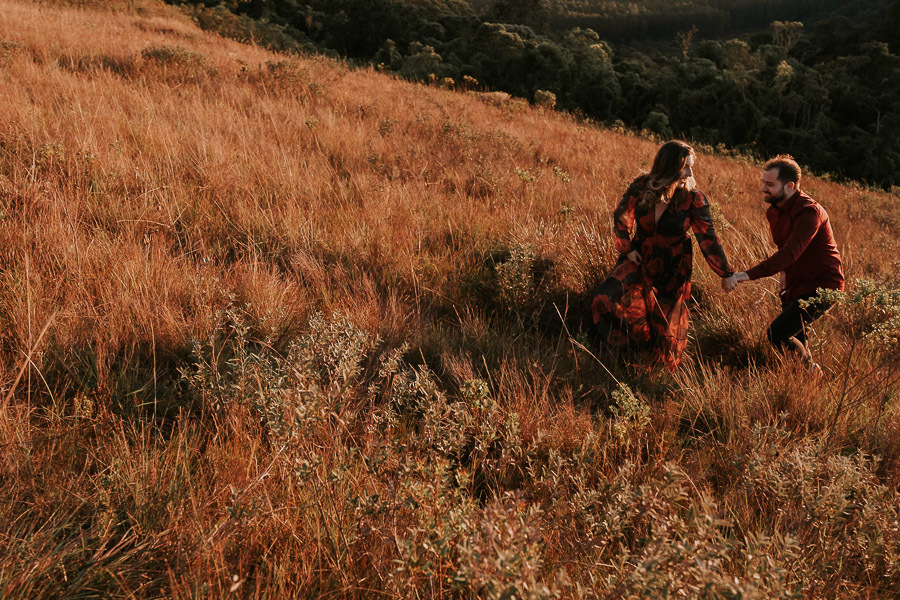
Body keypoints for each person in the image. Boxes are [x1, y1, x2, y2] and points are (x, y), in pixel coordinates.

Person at [591, 140, 734, 369]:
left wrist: (725, 273)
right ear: (668, 167)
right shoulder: (641, 186)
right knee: (604, 298)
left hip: (673, 265)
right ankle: (627, 351)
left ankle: (651, 369)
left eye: (691, 166)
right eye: (685, 167)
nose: (690, 172)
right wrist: (627, 249)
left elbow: (708, 238)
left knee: (664, 322)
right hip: (639, 256)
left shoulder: (693, 198)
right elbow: (621, 217)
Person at [722, 155, 844, 368]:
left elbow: (789, 253)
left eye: (769, 184)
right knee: (797, 336)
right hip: (796, 284)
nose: (763, 189)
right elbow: (784, 249)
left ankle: (812, 371)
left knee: (777, 334)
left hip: (824, 286)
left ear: (789, 186)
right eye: (763, 183)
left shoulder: (809, 213)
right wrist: (785, 279)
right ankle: (806, 379)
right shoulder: (774, 211)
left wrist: (743, 276)